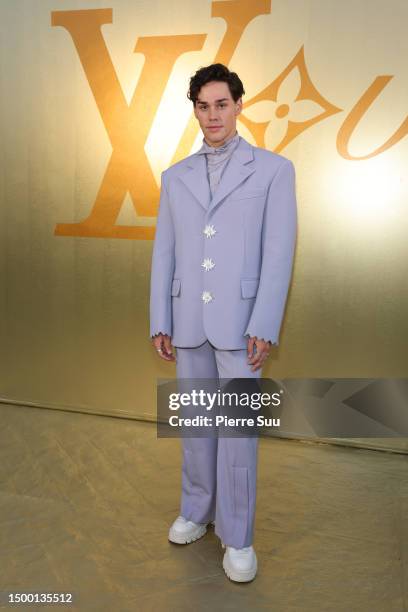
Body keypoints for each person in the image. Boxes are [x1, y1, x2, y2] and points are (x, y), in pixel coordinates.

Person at [149, 63, 297, 582]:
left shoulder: (274, 170)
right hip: (188, 319)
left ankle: (237, 536)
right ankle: (196, 510)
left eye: (221, 104)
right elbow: (164, 252)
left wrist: (265, 322)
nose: (212, 114)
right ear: (195, 110)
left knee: (237, 434)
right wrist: (159, 318)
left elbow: (278, 253)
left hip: (242, 324)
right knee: (195, 427)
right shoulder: (175, 177)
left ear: (238, 106)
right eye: (202, 106)